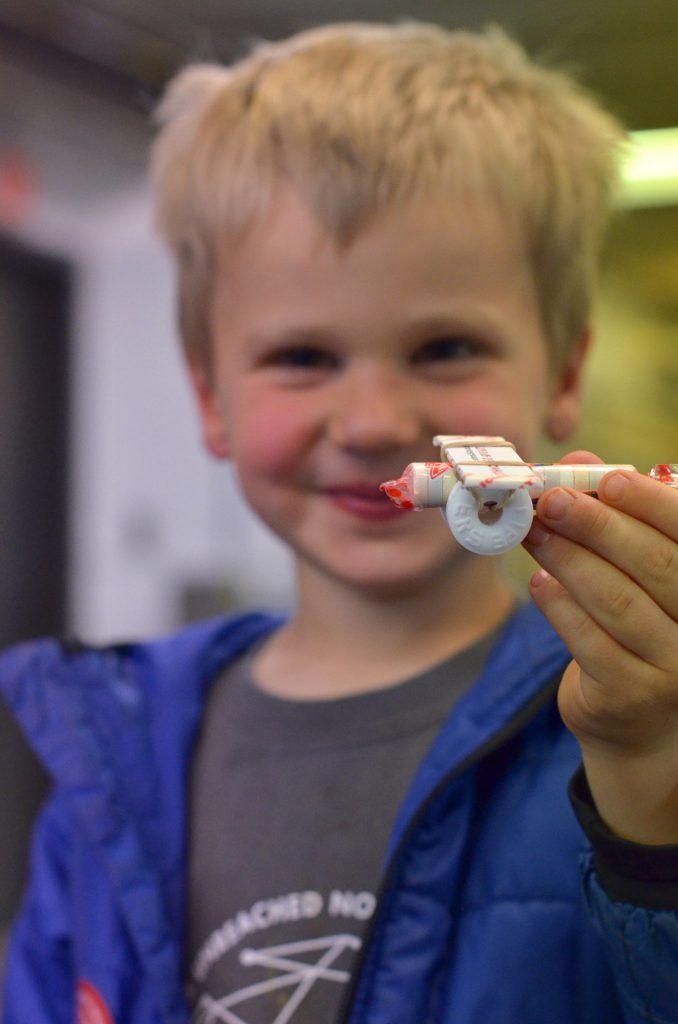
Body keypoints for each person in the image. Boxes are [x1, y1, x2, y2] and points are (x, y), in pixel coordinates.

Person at [2, 20, 678, 1024]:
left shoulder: (631, 711)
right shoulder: (114, 762)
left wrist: (652, 808)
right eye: (303, 358)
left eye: (446, 346)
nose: (374, 424)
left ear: (565, 373)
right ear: (210, 397)